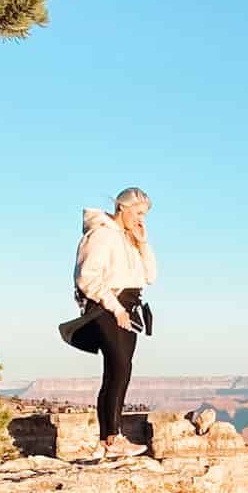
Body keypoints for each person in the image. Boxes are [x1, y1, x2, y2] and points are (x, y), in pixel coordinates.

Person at [69, 188, 156, 454]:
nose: (141, 219)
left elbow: (150, 276)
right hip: (108, 306)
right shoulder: (101, 235)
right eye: (138, 213)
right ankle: (112, 437)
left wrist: (142, 243)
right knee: (119, 368)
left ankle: (108, 440)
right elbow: (87, 276)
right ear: (122, 208)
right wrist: (115, 308)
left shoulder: (128, 239)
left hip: (129, 306)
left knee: (120, 371)